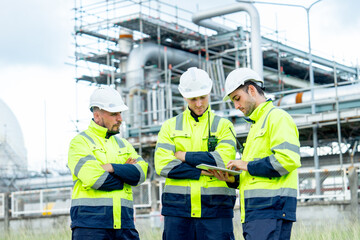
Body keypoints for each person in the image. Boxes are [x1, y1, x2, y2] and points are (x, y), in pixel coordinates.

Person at [210, 67, 301, 240]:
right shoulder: (256, 125)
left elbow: (288, 159)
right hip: (257, 213)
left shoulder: (277, 118)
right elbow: (256, 176)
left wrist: (246, 165)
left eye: (237, 98)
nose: (236, 106)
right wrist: (234, 179)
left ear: (251, 90)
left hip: (270, 211)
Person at [154, 67, 237, 240]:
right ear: (184, 97)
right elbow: (162, 165)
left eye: (202, 98)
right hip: (178, 212)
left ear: (209, 93)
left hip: (216, 210)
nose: (199, 104)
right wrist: (201, 171)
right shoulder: (170, 126)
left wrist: (183, 156)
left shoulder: (223, 125)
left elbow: (223, 161)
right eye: (193, 99)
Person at [68, 86, 148, 240]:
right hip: (91, 227)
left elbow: (141, 174)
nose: (120, 119)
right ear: (97, 116)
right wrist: (125, 174)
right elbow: (96, 179)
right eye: (114, 114)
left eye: (120, 113)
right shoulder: (79, 143)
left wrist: (111, 168)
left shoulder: (123, 144)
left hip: (125, 225)